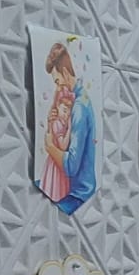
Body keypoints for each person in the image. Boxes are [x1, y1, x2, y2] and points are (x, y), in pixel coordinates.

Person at [41, 40, 97, 214]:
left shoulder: (79, 107)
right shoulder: (76, 97)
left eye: (58, 81)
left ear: (65, 72)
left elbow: (71, 166)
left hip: (78, 193)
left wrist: (50, 147)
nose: (57, 86)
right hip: (71, 187)